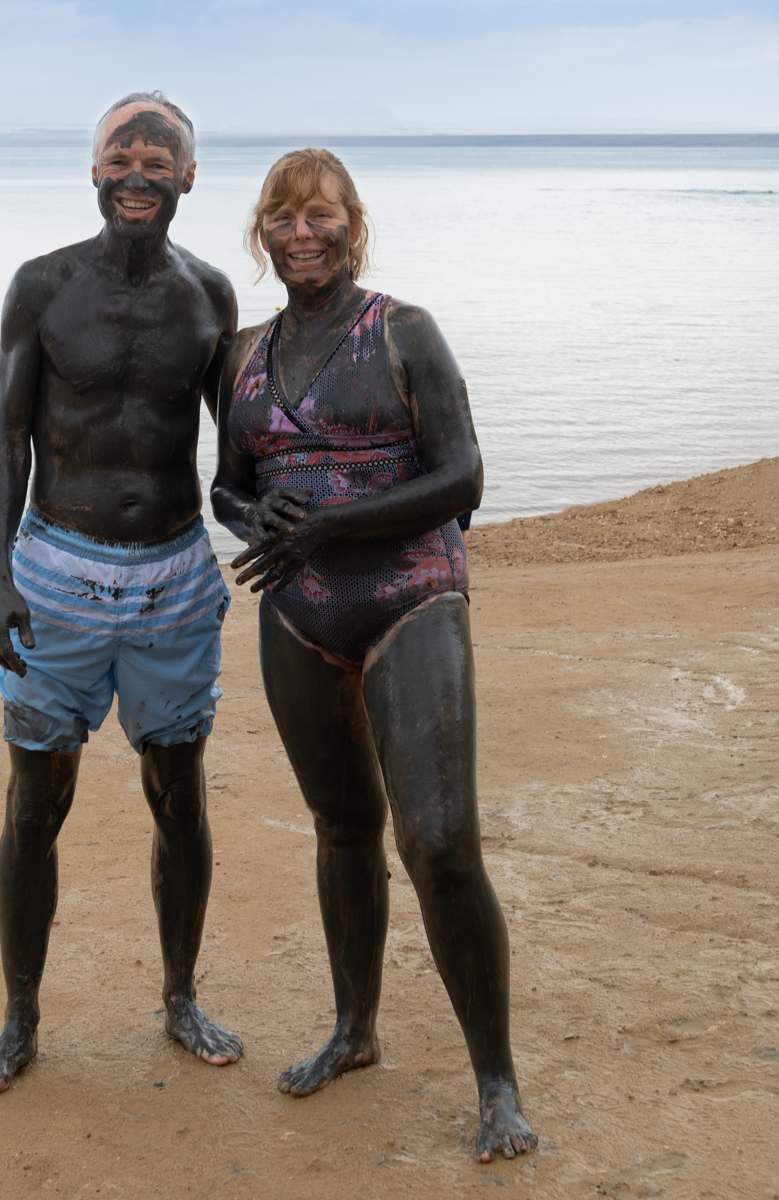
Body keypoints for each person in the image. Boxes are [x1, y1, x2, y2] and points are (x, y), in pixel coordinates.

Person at [211, 148, 537, 1161]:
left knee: (439, 842)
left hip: (412, 599)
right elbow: (226, 485)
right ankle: (355, 1031)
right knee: (343, 828)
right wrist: (258, 516)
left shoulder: (404, 332)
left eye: (321, 215)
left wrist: (333, 527)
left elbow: (464, 477)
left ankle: (497, 1084)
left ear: (354, 226)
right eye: (282, 218)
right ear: (262, 235)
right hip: (296, 613)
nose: (301, 233)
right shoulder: (242, 353)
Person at [0, 91, 242, 1102]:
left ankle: (179, 997)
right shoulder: (42, 285)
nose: (137, 175)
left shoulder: (210, 296)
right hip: (56, 574)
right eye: (121, 158)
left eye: (158, 162)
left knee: (180, 797)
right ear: (93, 170)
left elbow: (238, 454)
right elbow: (5, 435)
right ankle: (19, 1021)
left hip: (173, 575)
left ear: (188, 177)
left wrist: (287, 520)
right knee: (36, 802)